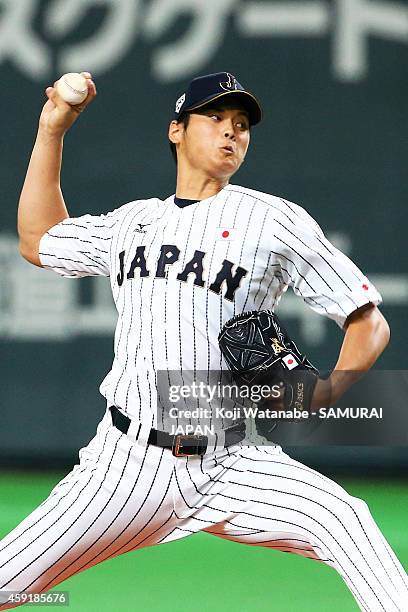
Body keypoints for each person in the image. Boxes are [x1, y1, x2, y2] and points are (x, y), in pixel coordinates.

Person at [1, 70, 407, 611]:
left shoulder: (273, 220)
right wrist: (52, 129)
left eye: (241, 124)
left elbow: (368, 321)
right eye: (214, 118)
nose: (231, 132)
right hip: (126, 466)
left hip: (233, 460)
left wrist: (327, 393)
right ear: (176, 130)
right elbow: (39, 240)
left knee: (345, 520)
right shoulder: (133, 223)